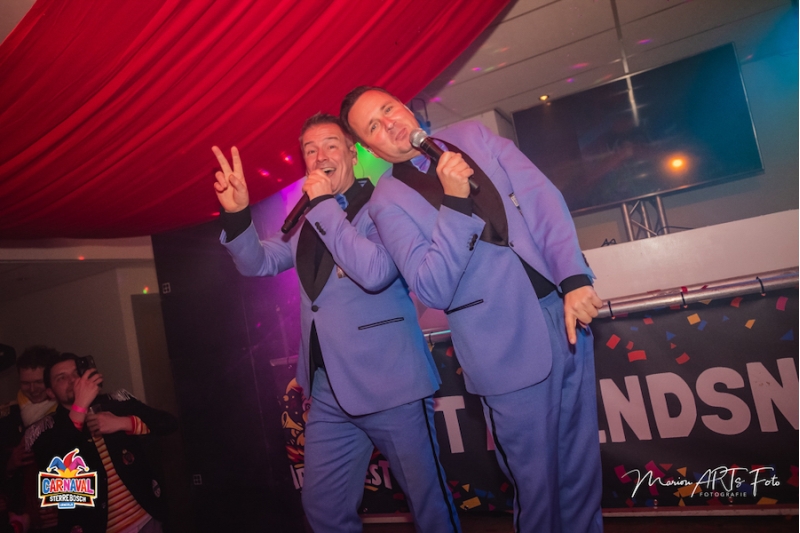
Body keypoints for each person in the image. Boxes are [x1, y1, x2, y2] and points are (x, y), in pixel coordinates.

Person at [342, 87, 604, 533]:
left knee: (581, 473)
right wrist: (456, 202)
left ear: (404, 107)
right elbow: (431, 287)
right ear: (371, 149)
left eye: (388, 109)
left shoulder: (473, 136)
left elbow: (540, 197)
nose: (389, 124)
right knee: (538, 489)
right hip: (502, 349)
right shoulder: (385, 203)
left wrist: (573, 277)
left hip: (563, 317)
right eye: (373, 127)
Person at [212, 113, 460, 533]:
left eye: (330, 145)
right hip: (328, 389)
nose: (320, 156)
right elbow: (259, 262)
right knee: (323, 506)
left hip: (392, 383)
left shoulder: (383, 204)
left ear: (352, 151)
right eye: (310, 150)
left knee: (428, 504)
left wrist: (324, 205)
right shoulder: (307, 218)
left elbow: (376, 271)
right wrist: (237, 216)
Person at [27, 353, 177, 533]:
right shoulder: (45, 430)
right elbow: (55, 472)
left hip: (147, 519)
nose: (73, 380)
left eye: (76, 373)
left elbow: (168, 423)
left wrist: (123, 422)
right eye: (62, 378)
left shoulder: (116, 402)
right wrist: (80, 405)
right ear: (51, 392)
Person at [1, 346, 59, 533]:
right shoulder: (8, 418)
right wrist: (9, 465)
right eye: (25, 383)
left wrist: (66, 505)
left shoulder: (70, 413)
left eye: (38, 382)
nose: (32, 390)